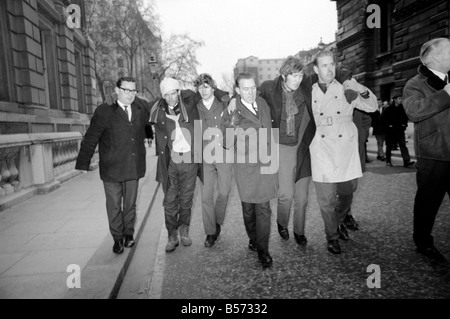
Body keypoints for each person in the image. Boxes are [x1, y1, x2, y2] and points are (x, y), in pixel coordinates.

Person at [309, 50, 377, 254]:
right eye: (324, 65)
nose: (329, 69)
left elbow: (372, 106)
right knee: (327, 199)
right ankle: (332, 236)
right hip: (321, 146)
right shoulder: (308, 91)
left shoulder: (345, 88)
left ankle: (338, 221)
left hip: (344, 147)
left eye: (331, 65)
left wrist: (359, 88)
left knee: (347, 193)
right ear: (316, 69)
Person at [75, 76, 150, 254]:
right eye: (126, 90)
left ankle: (128, 234)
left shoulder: (140, 108)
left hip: (133, 165)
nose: (130, 94)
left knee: (130, 204)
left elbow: (155, 110)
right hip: (112, 167)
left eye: (133, 90)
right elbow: (92, 136)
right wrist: (83, 162)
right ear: (117, 91)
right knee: (114, 205)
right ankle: (117, 238)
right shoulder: (104, 110)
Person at [222, 72, 278, 268]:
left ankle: (263, 251)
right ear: (237, 90)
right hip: (245, 168)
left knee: (263, 208)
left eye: (253, 87)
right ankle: (253, 238)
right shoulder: (231, 111)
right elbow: (227, 144)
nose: (251, 92)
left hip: (264, 165)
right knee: (248, 211)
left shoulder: (262, 103)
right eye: (246, 89)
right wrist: (232, 125)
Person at [403, 37, 450, 262]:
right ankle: (423, 242)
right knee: (428, 204)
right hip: (433, 154)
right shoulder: (415, 83)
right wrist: (446, 94)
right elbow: (414, 111)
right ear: (435, 57)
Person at [259, 56, 314, 247]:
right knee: (286, 195)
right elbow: (246, 94)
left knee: (302, 197)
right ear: (284, 75)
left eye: (300, 75)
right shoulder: (269, 88)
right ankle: (282, 222)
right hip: (281, 146)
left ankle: (299, 231)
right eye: (294, 76)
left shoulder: (306, 87)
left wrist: (348, 78)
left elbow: (331, 74)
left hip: (302, 146)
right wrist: (231, 101)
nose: (298, 80)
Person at [149, 78, 200, 253]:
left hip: (189, 161)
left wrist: (228, 99)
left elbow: (206, 91)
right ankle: (172, 235)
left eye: (174, 93)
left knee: (186, 199)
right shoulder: (158, 111)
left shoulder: (190, 106)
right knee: (170, 201)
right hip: (169, 163)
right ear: (162, 96)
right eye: (167, 95)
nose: (171, 98)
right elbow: (139, 105)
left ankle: (184, 231)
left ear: (178, 93)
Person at [194, 73, 233, 248]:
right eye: (200, 86)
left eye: (207, 86)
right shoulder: (194, 107)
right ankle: (210, 232)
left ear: (213, 87)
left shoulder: (224, 103)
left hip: (223, 152)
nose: (203, 90)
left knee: (224, 191)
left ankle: (217, 221)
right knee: (206, 195)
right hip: (205, 156)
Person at [382, 95, 415, 167]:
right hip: (390, 132)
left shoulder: (402, 108)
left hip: (400, 131)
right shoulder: (388, 109)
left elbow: (405, 118)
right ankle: (388, 161)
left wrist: (404, 125)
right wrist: (388, 126)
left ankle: (406, 161)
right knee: (389, 146)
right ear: (395, 100)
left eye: (401, 99)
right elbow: (383, 119)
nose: (401, 100)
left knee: (403, 145)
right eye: (399, 99)